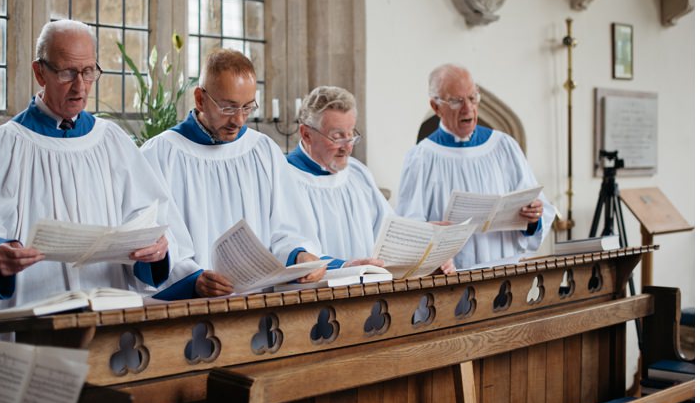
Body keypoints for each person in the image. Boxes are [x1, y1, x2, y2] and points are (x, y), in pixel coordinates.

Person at [0, 20, 203, 317]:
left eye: (89, 72)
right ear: (40, 72)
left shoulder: (112, 141)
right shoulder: (4, 145)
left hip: (108, 313)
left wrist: (155, 250)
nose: (80, 86)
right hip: (32, 315)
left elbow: (154, 224)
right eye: (67, 73)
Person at [140, 50, 357, 296]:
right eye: (228, 108)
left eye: (247, 107)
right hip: (193, 308)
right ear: (200, 99)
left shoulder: (263, 151)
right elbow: (158, 241)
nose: (239, 120)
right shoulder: (161, 154)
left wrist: (300, 255)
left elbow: (288, 229)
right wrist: (193, 279)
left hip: (259, 308)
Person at [396, 64, 554, 269]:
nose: (468, 108)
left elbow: (539, 208)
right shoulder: (421, 157)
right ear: (436, 107)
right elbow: (409, 227)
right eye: (456, 101)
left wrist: (534, 217)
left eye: (472, 98)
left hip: (504, 269)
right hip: (451, 277)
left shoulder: (504, 146)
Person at [286, 85, 413, 269]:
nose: (347, 146)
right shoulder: (285, 178)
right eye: (337, 136)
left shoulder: (357, 174)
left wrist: (428, 243)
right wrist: (343, 266)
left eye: (351, 134)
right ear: (306, 134)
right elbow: (288, 248)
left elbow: (389, 233)